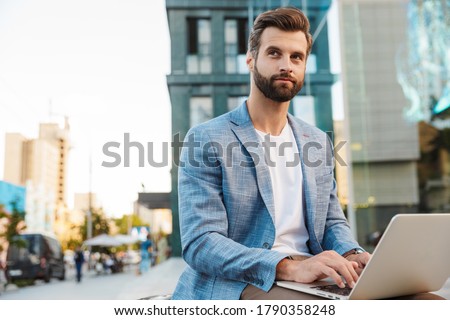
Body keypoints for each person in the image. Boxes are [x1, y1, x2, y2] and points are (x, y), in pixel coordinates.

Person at [173, 7, 445, 300]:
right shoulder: (207, 138)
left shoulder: (315, 141)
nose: (286, 65)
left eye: (296, 57)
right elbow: (201, 243)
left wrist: (353, 253)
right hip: (241, 282)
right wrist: (288, 267)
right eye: (274, 53)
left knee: (430, 303)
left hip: (315, 276)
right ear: (251, 61)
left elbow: (331, 222)